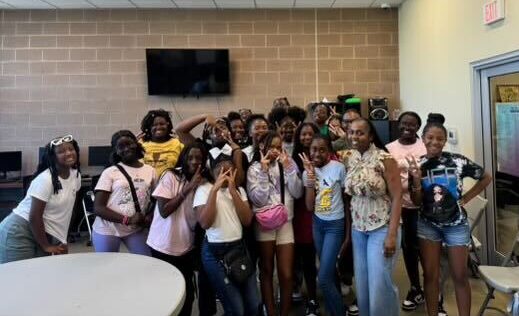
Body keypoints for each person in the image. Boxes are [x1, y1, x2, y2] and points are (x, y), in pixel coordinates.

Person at [408, 113, 492, 316]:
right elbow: (416, 201)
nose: (434, 142)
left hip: (456, 225)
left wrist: (467, 198)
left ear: (445, 141)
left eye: (439, 138)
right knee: (430, 276)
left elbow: (486, 177)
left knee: (460, 275)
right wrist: (417, 180)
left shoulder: (458, 161)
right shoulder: (416, 164)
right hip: (428, 225)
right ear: (423, 138)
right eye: (430, 138)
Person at [340, 118, 402, 316]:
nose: (354, 137)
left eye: (360, 133)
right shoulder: (349, 157)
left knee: (379, 287)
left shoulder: (385, 159)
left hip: (382, 228)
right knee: (363, 286)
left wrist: (391, 235)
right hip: (359, 229)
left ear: (371, 135)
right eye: (351, 132)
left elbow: (398, 196)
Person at [147, 142, 209, 316]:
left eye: (199, 158)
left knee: (187, 295)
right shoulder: (170, 176)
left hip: (186, 246)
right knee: (166, 293)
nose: (194, 161)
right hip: (163, 245)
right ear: (183, 158)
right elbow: (164, 210)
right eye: (190, 157)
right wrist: (189, 187)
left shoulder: (204, 181)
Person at [194, 157, 260, 316]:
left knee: (253, 304)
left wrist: (232, 191)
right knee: (236, 308)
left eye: (228, 170)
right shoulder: (203, 190)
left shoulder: (239, 190)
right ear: (213, 172)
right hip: (214, 252)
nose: (225, 174)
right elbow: (205, 223)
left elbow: (247, 220)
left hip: (238, 249)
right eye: (220, 170)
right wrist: (214, 190)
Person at [247, 131, 303, 316]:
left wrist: (288, 168)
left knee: (286, 273)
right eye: (272, 146)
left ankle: (284, 312)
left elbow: (297, 193)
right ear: (262, 146)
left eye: (279, 147)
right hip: (264, 223)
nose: (276, 151)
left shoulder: (288, 162)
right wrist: (263, 172)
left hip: (285, 222)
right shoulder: (254, 168)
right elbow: (258, 200)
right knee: (266, 269)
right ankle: (270, 311)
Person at [0, 135, 81, 263]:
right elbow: (34, 216)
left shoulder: (75, 175)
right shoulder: (46, 179)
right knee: (18, 276)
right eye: (61, 151)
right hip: (20, 231)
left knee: (39, 275)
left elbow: (67, 212)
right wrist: (46, 246)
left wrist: (62, 240)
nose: (68, 153)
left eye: (71, 149)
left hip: (42, 232)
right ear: (53, 157)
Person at [300, 135, 348, 316]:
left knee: (324, 277)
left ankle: (338, 312)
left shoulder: (338, 168)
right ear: (309, 151)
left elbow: (346, 199)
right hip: (318, 224)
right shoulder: (307, 172)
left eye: (322, 149)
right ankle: (332, 308)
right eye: (313, 149)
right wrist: (311, 179)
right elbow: (309, 206)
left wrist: (348, 232)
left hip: (335, 224)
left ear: (329, 152)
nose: (317, 153)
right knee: (330, 273)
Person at [386, 111, 427, 311]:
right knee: (402, 248)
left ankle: (423, 287)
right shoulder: (390, 147)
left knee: (418, 248)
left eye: (412, 124)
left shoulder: (424, 147)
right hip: (395, 206)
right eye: (403, 123)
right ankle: (414, 287)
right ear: (398, 124)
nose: (407, 127)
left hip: (418, 207)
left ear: (418, 127)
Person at [92, 130, 156, 255]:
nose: (126, 148)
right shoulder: (110, 172)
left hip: (135, 229)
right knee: (107, 267)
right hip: (107, 229)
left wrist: (149, 217)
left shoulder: (150, 171)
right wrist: (127, 220)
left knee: (146, 262)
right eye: (121, 146)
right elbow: (98, 208)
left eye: (129, 144)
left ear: (136, 144)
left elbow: (155, 199)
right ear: (116, 151)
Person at [292, 122, 320, 316]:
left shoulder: (323, 155)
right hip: (301, 214)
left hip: (324, 212)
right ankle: (311, 298)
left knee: (324, 259)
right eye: (303, 134)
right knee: (306, 257)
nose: (307, 137)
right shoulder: (292, 159)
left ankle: (322, 293)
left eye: (311, 134)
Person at [140, 109, 184, 177]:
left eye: (162, 124)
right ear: (149, 127)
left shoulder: (176, 143)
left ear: (167, 125)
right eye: (154, 125)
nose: (158, 127)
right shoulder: (140, 144)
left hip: (169, 184)